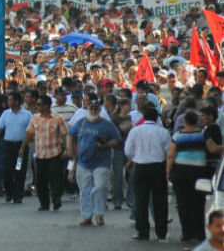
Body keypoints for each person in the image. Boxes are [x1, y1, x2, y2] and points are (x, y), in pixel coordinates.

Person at [67, 96, 121, 226]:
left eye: (95, 108)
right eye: (91, 108)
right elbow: (70, 134)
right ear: (87, 109)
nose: (93, 111)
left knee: (101, 187)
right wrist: (69, 149)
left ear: (100, 109)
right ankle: (86, 216)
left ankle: (99, 213)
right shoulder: (81, 122)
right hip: (83, 162)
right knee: (85, 190)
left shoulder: (107, 125)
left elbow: (116, 139)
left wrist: (107, 145)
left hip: (102, 162)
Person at [124, 107, 171, 241]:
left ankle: (143, 232)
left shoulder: (135, 131)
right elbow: (168, 151)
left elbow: (128, 150)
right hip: (158, 167)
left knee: (141, 200)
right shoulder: (163, 132)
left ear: (144, 117)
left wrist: (137, 156)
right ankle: (161, 232)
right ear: (157, 117)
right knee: (160, 201)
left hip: (141, 167)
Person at [20, 95, 68, 211]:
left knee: (55, 179)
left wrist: (67, 150)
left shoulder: (57, 118)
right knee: (40, 181)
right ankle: (44, 204)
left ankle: (56, 200)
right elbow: (29, 133)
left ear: (46, 106)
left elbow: (65, 135)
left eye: (39, 104)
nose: (37, 106)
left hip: (54, 154)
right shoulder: (35, 118)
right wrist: (22, 148)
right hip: (40, 155)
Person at [166, 110, 208, 242]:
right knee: (198, 203)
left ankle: (187, 233)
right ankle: (200, 233)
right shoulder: (202, 135)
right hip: (199, 172)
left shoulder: (178, 136)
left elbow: (171, 155)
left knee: (183, 203)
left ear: (184, 122)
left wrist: (168, 172)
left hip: (181, 172)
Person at [0, 91, 32, 203]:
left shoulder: (27, 115)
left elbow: (30, 131)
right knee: (6, 171)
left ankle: (18, 195)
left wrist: (24, 146)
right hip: (8, 147)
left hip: (20, 148)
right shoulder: (6, 114)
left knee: (19, 170)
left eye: (10, 100)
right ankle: (9, 192)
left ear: (17, 102)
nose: (8, 102)